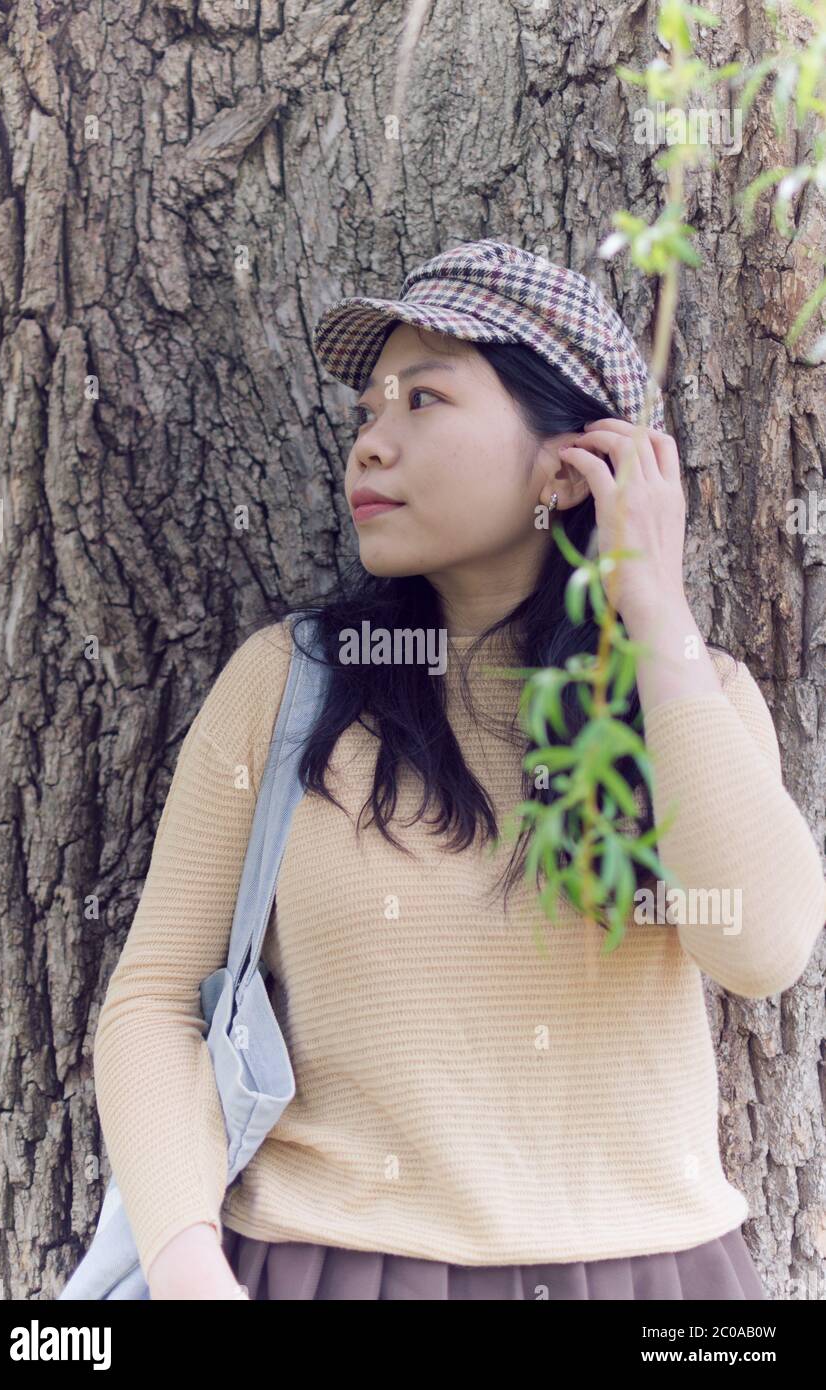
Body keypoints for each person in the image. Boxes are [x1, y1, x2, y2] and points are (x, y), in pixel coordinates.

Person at [91, 241, 826, 1300]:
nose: (370, 449)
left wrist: (655, 612)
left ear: (569, 462)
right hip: (326, 1269)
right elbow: (155, 1000)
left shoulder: (688, 700)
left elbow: (758, 948)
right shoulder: (288, 684)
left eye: (422, 401)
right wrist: (184, 1259)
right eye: (365, 417)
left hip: (654, 1282)